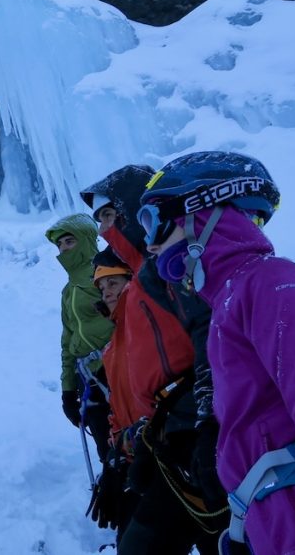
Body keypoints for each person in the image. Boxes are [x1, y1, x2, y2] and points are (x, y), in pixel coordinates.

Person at [138, 150, 295, 555]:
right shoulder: (230, 302)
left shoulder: (274, 285)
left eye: (153, 223)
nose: (150, 245)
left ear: (200, 212)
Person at [81, 165, 223, 555]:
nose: (102, 228)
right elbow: (132, 388)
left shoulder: (168, 270)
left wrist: (204, 420)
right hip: (167, 443)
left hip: (200, 437)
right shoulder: (138, 294)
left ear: (129, 212)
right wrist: (119, 454)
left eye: (108, 216)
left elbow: (209, 334)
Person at [45, 214, 115, 464]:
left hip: (118, 371)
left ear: (86, 240)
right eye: (60, 245)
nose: (63, 249)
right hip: (91, 380)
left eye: (69, 242)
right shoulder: (68, 292)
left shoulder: (107, 274)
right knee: (108, 453)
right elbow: (68, 342)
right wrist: (68, 390)